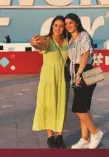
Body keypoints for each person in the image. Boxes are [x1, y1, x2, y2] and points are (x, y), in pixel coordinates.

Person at [64, 13, 103, 149]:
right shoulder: (71, 40)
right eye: (66, 24)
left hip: (84, 71)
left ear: (77, 23)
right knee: (83, 107)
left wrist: (79, 73)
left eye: (71, 23)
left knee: (78, 108)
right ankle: (84, 138)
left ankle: (96, 133)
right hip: (76, 73)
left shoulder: (83, 36)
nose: (68, 26)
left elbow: (86, 54)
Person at [31, 16, 69, 149]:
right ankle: (50, 137)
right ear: (52, 26)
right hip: (48, 78)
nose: (58, 28)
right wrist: (33, 43)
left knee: (60, 106)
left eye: (61, 26)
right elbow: (38, 45)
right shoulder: (46, 40)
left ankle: (60, 136)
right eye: (56, 25)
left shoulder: (66, 42)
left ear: (64, 28)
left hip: (62, 78)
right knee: (48, 105)